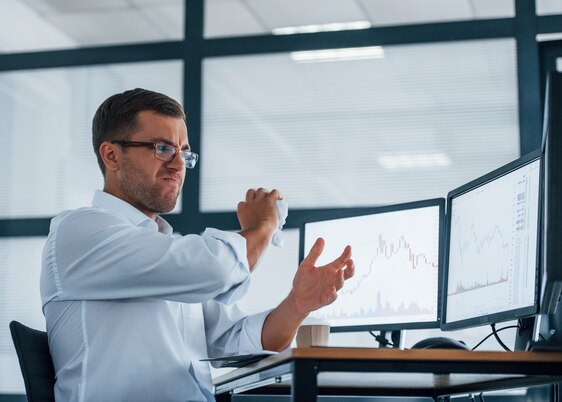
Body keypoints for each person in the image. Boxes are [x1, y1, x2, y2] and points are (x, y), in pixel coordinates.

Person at [40, 88, 354, 402]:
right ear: (112, 155)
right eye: (162, 149)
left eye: (184, 153)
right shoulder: (81, 232)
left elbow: (234, 339)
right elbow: (216, 269)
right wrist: (263, 226)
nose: (178, 165)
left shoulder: (165, 251)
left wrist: (298, 304)